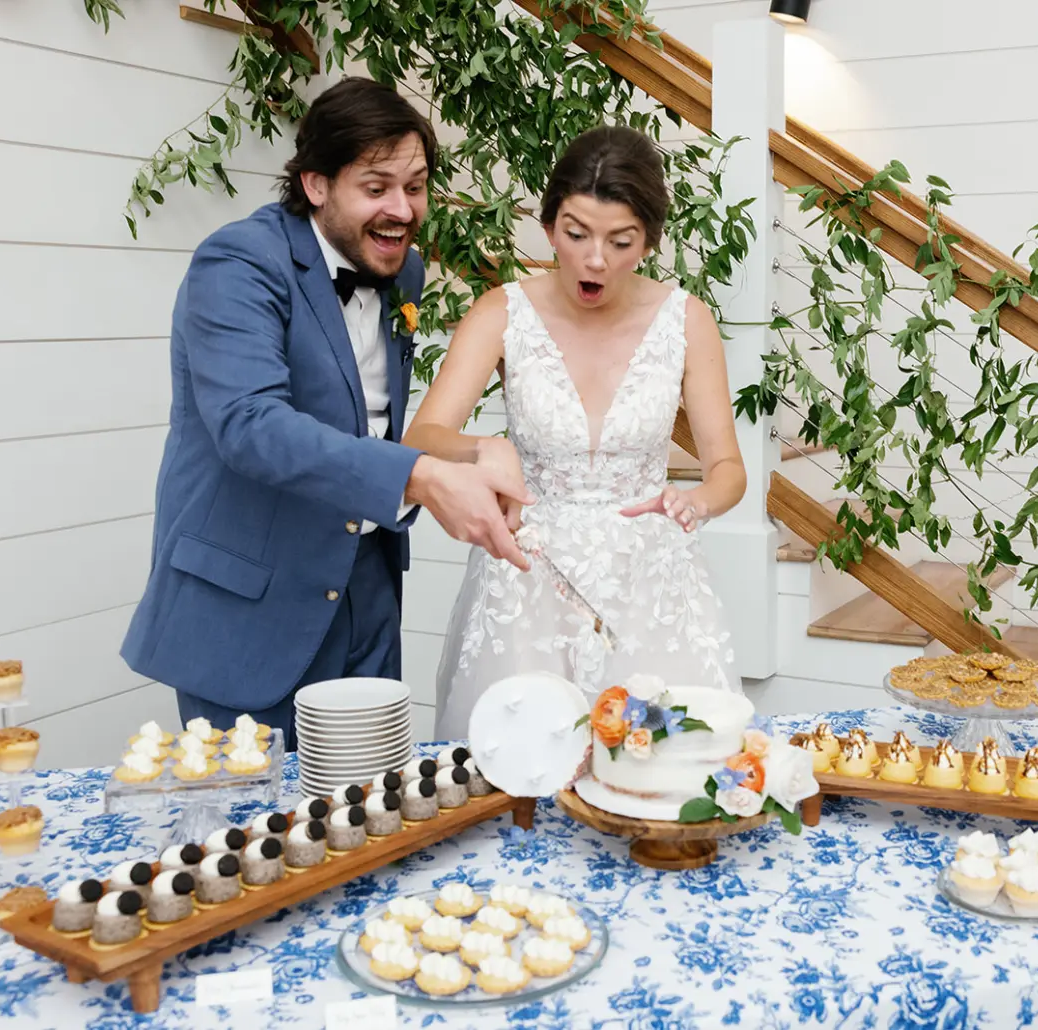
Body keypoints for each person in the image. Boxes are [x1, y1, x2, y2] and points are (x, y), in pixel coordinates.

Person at [121, 78, 529, 751]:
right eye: (377, 188)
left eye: (416, 186)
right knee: (257, 840)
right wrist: (423, 476)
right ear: (316, 185)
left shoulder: (405, 272)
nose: (402, 209)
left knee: (365, 812)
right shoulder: (238, 262)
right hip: (250, 603)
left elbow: (365, 420)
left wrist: (476, 451)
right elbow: (250, 426)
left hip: (366, 589)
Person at [406, 125, 746, 740]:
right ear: (548, 227)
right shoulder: (501, 312)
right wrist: (487, 447)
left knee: (658, 773)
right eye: (576, 234)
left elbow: (728, 470)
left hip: (651, 588)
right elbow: (421, 437)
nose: (595, 260)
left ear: (647, 241)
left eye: (620, 241)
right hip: (527, 580)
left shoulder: (685, 321)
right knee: (517, 779)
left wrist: (694, 500)